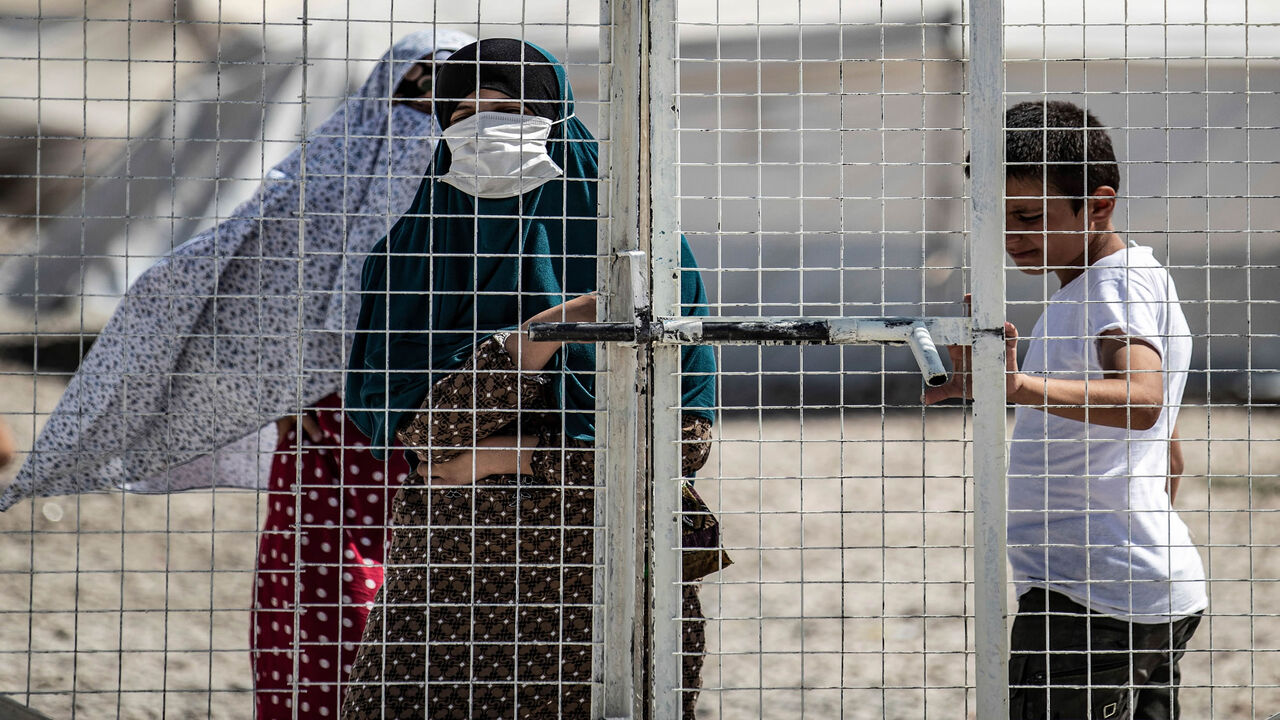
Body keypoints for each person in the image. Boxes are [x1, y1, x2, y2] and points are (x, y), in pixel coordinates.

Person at [0, 29, 475, 719]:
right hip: (333, 428)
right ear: (383, 91)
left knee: (446, 594)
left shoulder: (494, 186)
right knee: (324, 584)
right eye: (415, 86)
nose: (430, 104)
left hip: (452, 433)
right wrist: (278, 382)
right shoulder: (326, 176)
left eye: (452, 90)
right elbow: (254, 268)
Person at [339, 38, 721, 720]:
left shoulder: (650, 250)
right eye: (462, 113)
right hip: (453, 581)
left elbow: (677, 447)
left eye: (509, 107)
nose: (482, 127)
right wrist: (553, 329)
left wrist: (504, 453)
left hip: (609, 579)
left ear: (557, 118)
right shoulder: (411, 253)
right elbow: (428, 438)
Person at [926, 100, 1206, 719]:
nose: (1013, 236)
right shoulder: (1132, 277)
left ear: (1098, 205)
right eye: (999, 218)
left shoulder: (1108, 288)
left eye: (1029, 216)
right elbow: (1171, 455)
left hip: (1089, 599)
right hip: (1141, 585)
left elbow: (1143, 402)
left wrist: (1018, 387)